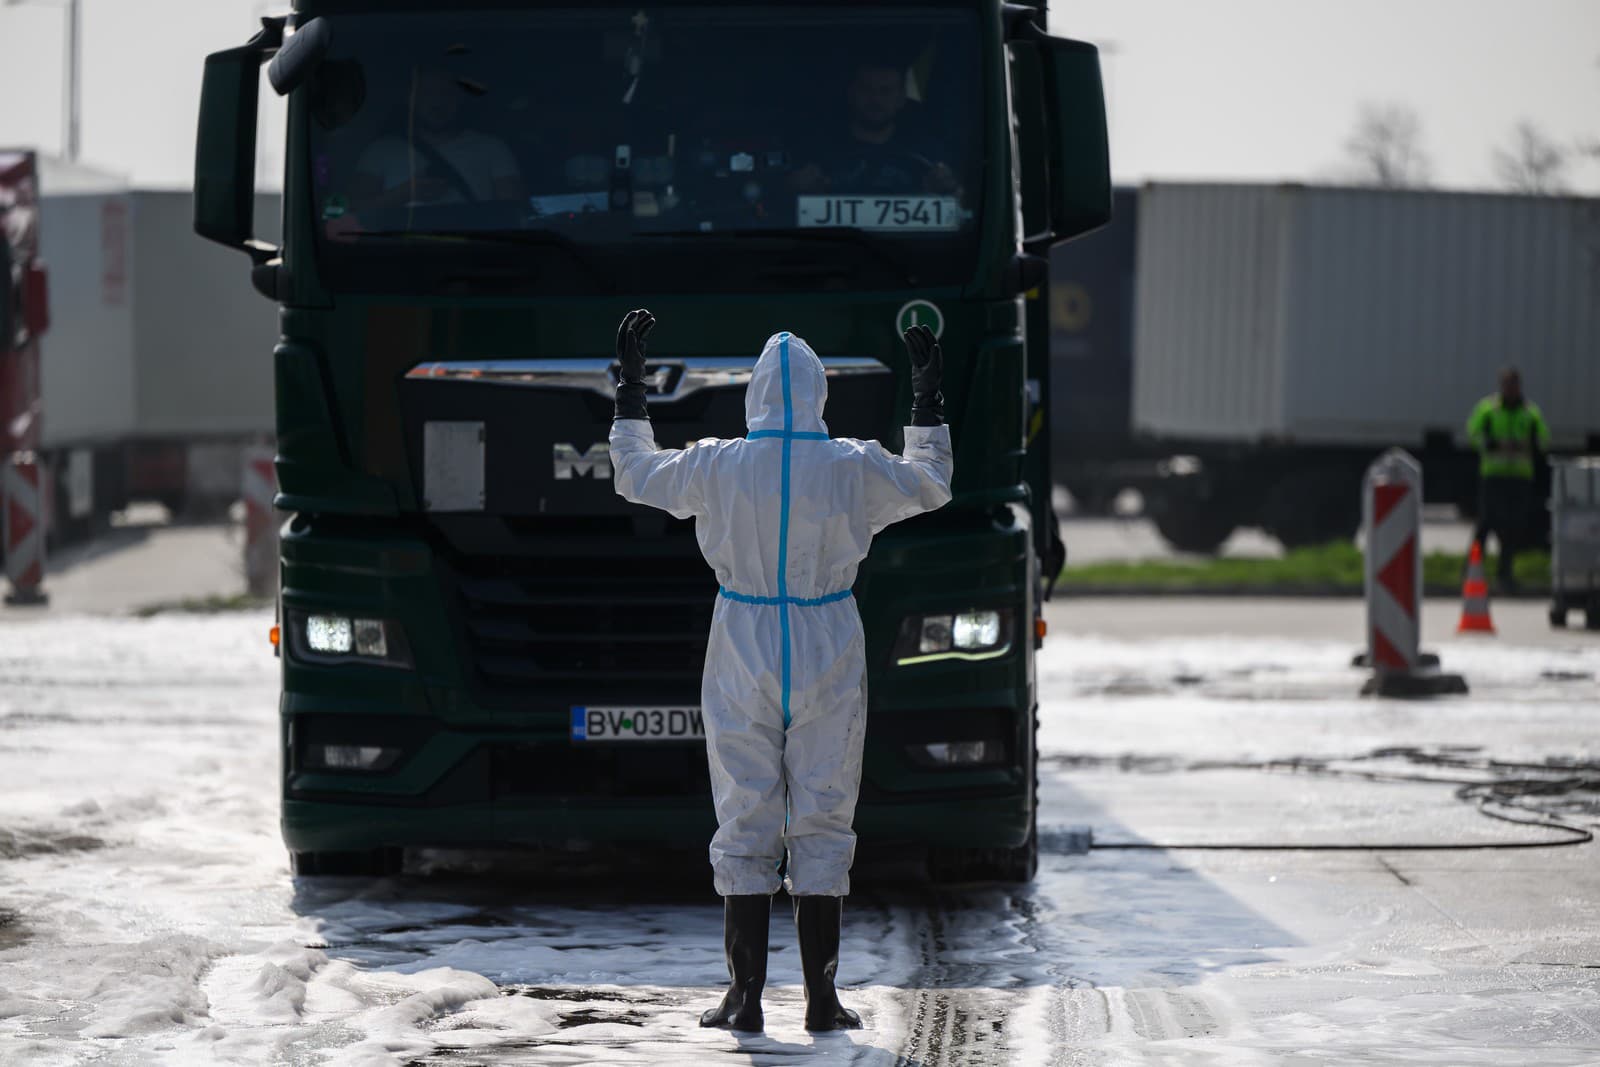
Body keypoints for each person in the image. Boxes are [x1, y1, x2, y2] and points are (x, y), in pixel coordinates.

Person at [608, 310, 952, 1032]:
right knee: (825, 809)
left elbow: (635, 475)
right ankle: (822, 999)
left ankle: (745, 996)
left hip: (743, 634)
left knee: (745, 807)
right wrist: (927, 403)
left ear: (754, 394)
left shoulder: (717, 462)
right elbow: (931, 483)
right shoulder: (852, 464)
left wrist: (632, 393)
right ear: (818, 394)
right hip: (827, 633)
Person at [351, 65, 524, 209]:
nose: (437, 102)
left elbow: (513, 212)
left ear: (460, 99)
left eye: (446, 93)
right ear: (411, 100)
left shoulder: (492, 148)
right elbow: (355, 211)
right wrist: (405, 193)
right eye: (427, 93)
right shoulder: (380, 151)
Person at [790, 57, 961, 197]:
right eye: (866, 89)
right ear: (851, 93)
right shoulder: (819, 151)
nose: (875, 100)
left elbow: (957, 205)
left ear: (901, 98)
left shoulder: (928, 153)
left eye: (885, 91)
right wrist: (797, 187)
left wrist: (946, 188)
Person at [1466, 366, 1550, 590]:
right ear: (1501, 386)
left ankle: (1506, 575)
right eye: (1507, 385)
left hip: (1519, 478)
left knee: (1513, 528)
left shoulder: (1529, 412)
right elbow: (1473, 434)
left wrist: (1531, 444)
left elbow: (1543, 439)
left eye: (1514, 385)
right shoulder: (1489, 409)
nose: (1510, 389)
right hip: (1493, 476)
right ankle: (1471, 571)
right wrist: (1492, 444)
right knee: (1485, 523)